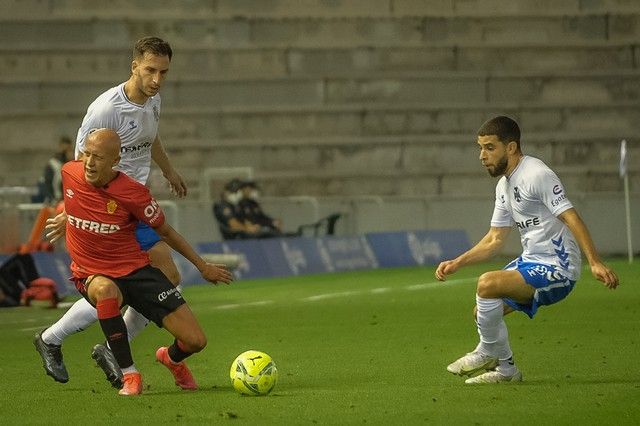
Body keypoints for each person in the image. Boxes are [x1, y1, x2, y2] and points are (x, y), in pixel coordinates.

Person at [34, 36, 187, 388]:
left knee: (167, 277)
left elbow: (151, 139)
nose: (157, 80)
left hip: (133, 205)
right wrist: (69, 211)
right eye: (150, 70)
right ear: (134, 66)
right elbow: (79, 164)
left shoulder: (153, 100)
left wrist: (167, 169)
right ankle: (58, 340)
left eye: (163, 72)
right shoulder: (105, 110)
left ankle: (79, 343)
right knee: (117, 287)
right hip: (105, 208)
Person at [47, 128, 232, 395]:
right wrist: (66, 216)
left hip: (136, 271)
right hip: (93, 274)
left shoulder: (133, 194)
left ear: (115, 160)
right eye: (86, 154)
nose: (88, 162)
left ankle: (170, 358)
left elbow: (166, 232)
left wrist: (203, 267)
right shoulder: (69, 172)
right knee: (105, 290)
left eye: (97, 157)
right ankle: (129, 373)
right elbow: (75, 200)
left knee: (195, 341)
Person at [435, 116, 619, 384]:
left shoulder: (537, 174)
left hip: (559, 267)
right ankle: (507, 371)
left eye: (489, 147)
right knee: (483, 312)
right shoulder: (504, 185)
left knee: (486, 284)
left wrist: (595, 262)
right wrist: (458, 262)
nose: (482, 156)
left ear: (510, 147)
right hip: (531, 262)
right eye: (480, 148)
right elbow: (495, 239)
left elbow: (571, 217)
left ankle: (486, 352)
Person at [41, 136, 74, 205]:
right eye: (65, 150)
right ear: (60, 147)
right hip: (56, 201)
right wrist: (52, 199)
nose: (67, 152)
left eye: (69, 150)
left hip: (68, 199)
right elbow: (47, 183)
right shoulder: (53, 163)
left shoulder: (72, 164)